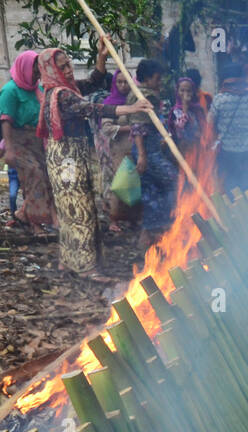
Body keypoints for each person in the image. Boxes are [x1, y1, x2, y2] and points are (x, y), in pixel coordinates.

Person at [37, 48, 150, 276]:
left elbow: (91, 82)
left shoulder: (63, 90)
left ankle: (69, 261)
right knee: (80, 211)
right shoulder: (62, 94)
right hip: (68, 161)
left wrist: (101, 56)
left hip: (65, 157)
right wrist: (132, 108)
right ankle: (86, 268)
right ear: (50, 69)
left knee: (71, 209)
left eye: (69, 64)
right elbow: (93, 109)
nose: (69, 70)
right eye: (63, 67)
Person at [0, 50, 55, 233]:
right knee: (34, 175)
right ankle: (35, 223)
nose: (37, 73)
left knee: (45, 177)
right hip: (18, 140)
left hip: (36, 140)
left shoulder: (36, 88)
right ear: (24, 68)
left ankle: (24, 215)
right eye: (34, 69)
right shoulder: (10, 91)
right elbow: (6, 120)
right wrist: (9, 149)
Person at [131, 61, 178, 251]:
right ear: (148, 78)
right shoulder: (142, 96)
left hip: (151, 150)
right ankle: (163, 223)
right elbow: (137, 128)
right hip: (147, 152)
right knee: (174, 180)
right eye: (157, 78)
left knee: (151, 191)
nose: (160, 82)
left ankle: (150, 233)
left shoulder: (146, 95)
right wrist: (142, 155)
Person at [94, 68, 140, 232]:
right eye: (119, 82)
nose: (123, 85)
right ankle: (114, 219)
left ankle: (133, 218)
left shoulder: (135, 101)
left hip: (133, 149)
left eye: (126, 82)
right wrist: (130, 128)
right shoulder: (110, 103)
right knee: (118, 184)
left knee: (133, 184)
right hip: (117, 150)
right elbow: (106, 128)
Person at [208, 63, 248, 194]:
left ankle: (230, 213)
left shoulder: (219, 99)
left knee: (229, 190)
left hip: (227, 154)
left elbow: (210, 123)